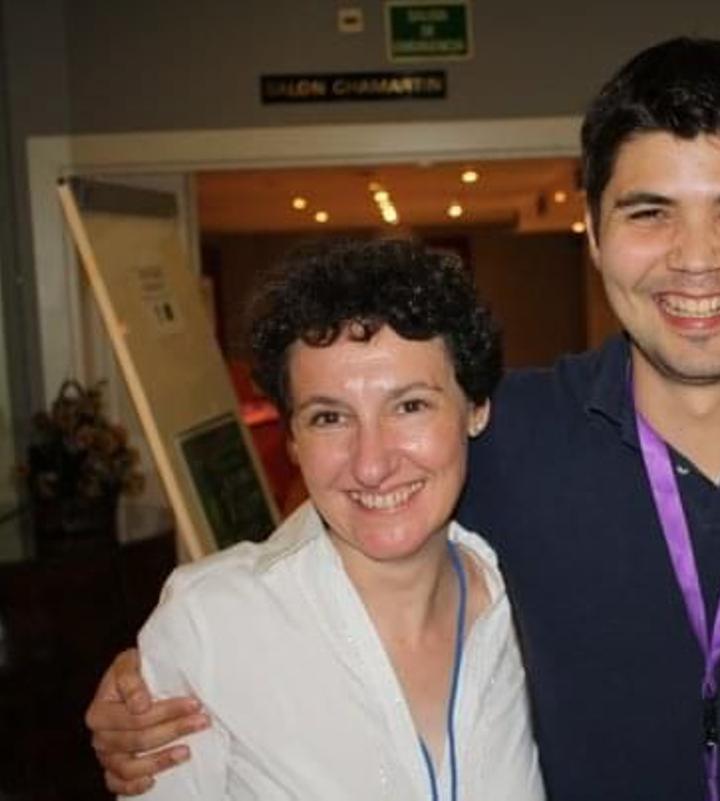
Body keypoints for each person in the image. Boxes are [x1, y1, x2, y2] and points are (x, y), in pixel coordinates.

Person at [87, 38, 720, 800]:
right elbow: (361, 493)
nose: (694, 256)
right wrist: (175, 663)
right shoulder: (505, 434)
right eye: (649, 211)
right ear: (593, 231)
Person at [120, 239, 544, 799]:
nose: (372, 463)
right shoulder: (213, 625)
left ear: (476, 408)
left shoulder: (536, 610)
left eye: (410, 405)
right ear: (293, 437)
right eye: (329, 417)